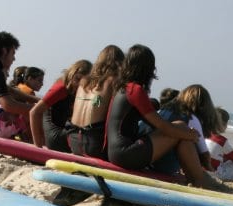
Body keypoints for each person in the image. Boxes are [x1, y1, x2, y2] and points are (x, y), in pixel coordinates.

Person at [106, 44, 208, 187]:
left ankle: (195, 180)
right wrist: (191, 135)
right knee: (182, 133)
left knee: (181, 128)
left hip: (116, 152)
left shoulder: (122, 88)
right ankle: (199, 181)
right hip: (126, 154)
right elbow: (163, 126)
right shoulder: (135, 90)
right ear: (148, 68)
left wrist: (185, 133)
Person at [146, 84, 219, 174]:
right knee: (188, 141)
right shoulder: (191, 118)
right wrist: (210, 169)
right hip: (164, 166)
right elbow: (204, 154)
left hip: (148, 157)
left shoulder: (163, 110)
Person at [67, 45, 124, 159]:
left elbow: (95, 103)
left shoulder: (83, 81)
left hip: (73, 141)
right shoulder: (113, 82)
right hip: (93, 145)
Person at [28, 60, 91, 151]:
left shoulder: (72, 89)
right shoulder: (61, 88)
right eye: (77, 79)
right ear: (72, 74)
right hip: (55, 137)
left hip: (59, 133)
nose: (78, 84)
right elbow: (34, 112)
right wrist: (38, 147)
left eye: (83, 82)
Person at [205, 107, 233, 182]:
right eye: (226, 123)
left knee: (226, 159)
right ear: (222, 124)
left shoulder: (204, 135)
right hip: (214, 173)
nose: (227, 126)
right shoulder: (222, 141)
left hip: (202, 169)